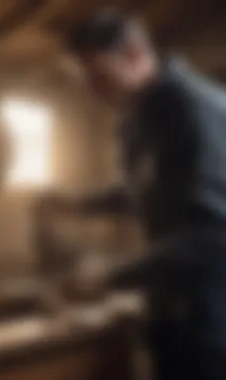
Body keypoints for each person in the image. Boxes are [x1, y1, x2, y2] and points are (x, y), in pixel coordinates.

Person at [55, 9, 226, 380]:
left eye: (99, 77)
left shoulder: (197, 110)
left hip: (213, 314)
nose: (94, 93)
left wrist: (111, 275)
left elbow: (213, 234)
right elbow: (145, 190)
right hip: (166, 305)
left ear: (134, 54)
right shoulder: (137, 118)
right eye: (85, 82)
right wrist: (79, 203)